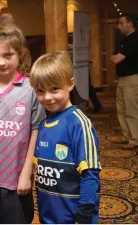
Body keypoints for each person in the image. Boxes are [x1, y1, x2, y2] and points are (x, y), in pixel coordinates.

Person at [0, 24, 45, 223]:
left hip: (15, 178)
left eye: (8, 55)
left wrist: (27, 174)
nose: (1, 62)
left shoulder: (30, 89)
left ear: (21, 54)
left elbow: (36, 131)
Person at [29, 51, 101, 224]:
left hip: (74, 217)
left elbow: (90, 173)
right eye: (40, 91)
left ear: (70, 84)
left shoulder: (78, 124)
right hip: (49, 216)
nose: (47, 97)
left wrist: (84, 214)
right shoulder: (43, 125)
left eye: (55, 89)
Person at [109, 13, 138, 149]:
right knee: (122, 109)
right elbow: (113, 56)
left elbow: (116, 59)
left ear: (130, 24)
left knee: (132, 110)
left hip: (133, 78)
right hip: (122, 79)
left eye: (121, 23)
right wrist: (116, 57)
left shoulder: (136, 38)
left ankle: (135, 139)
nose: (119, 26)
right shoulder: (123, 40)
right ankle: (126, 136)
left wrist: (116, 57)